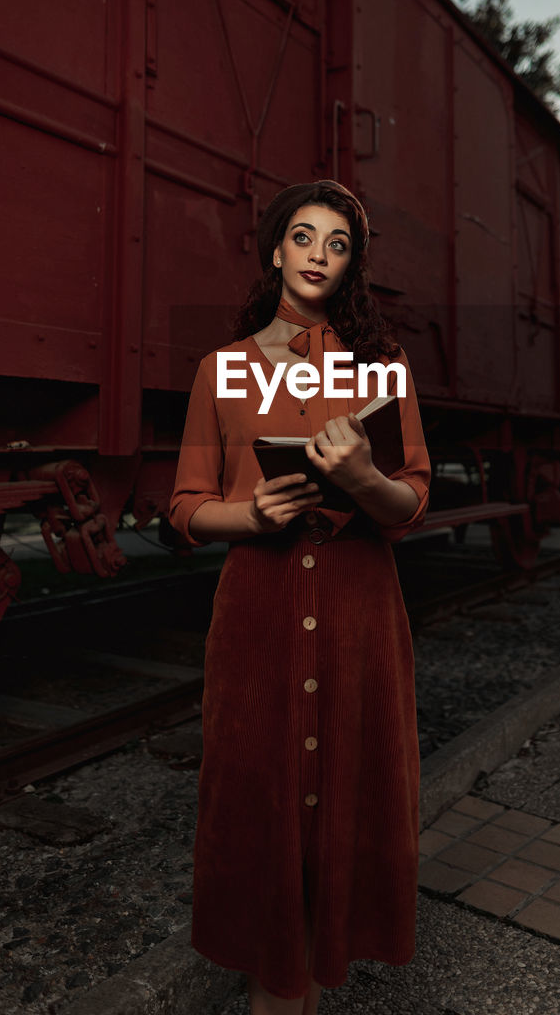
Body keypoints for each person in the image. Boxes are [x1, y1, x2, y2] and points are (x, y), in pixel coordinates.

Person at [169, 180, 431, 1014]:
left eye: (338, 243)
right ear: (275, 249)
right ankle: (276, 980)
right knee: (259, 800)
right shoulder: (224, 368)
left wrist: (361, 479)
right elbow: (183, 508)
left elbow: (410, 504)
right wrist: (248, 514)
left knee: (350, 801)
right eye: (303, 236)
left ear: (350, 265)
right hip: (259, 615)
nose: (318, 254)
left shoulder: (381, 370)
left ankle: (313, 966)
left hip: (359, 615)